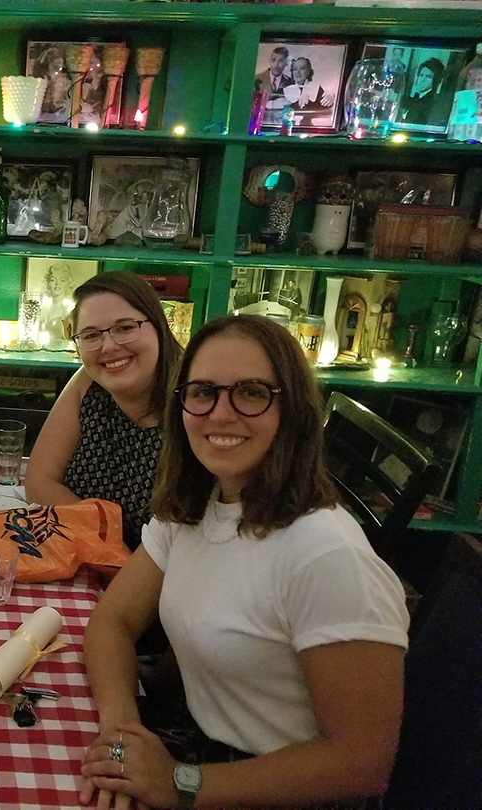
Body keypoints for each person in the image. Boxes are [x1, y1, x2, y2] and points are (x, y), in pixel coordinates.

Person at [79, 314, 408, 810]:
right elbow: (113, 621)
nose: (220, 414)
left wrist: (179, 784)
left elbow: (362, 763)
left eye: (251, 392)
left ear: (291, 410)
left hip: (270, 789)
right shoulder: (201, 502)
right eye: (202, 391)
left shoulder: (328, 558)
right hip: (196, 745)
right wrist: (121, 733)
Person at [25, 272, 183, 550]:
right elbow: (39, 481)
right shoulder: (88, 383)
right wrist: (105, 537)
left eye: (125, 328)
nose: (108, 347)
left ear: (158, 326)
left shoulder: (195, 401)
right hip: (94, 562)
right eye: (91, 335)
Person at [399, 57, 444, 125]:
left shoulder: (433, 102)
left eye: (428, 76)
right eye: (421, 75)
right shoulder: (416, 97)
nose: (422, 79)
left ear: (436, 80)